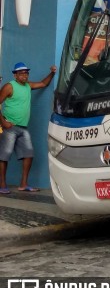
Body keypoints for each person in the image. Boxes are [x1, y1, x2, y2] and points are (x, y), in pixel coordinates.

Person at [0, 62, 57, 193]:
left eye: (26, 73)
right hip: (9, 127)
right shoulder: (9, 86)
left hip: (23, 128)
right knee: (4, 156)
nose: (25, 75)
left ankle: (23, 184)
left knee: (29, 154)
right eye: (21, 73)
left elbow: (43, 84)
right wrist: (3, 122)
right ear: (15, 75)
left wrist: (52, 73)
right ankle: (2, 185)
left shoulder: (28, 86)